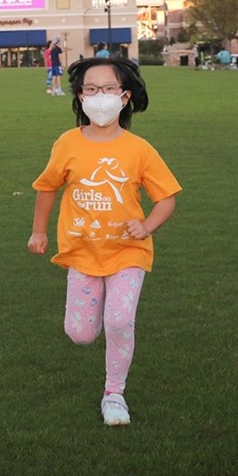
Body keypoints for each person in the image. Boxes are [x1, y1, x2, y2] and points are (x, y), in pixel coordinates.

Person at [27, 56, 181, 427]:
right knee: (80, 334)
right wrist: (39, 230)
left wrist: (146, 227)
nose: (100, 97)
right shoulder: (67, 144)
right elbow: (48, 187)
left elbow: (167, 198)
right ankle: (93, 322)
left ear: (124, 97)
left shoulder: (139, 149)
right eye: (91, 89)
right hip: (82, 253)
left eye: (108, 89)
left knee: (119, 320)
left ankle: (114, 394)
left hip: (128, 253)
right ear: (80, 97)